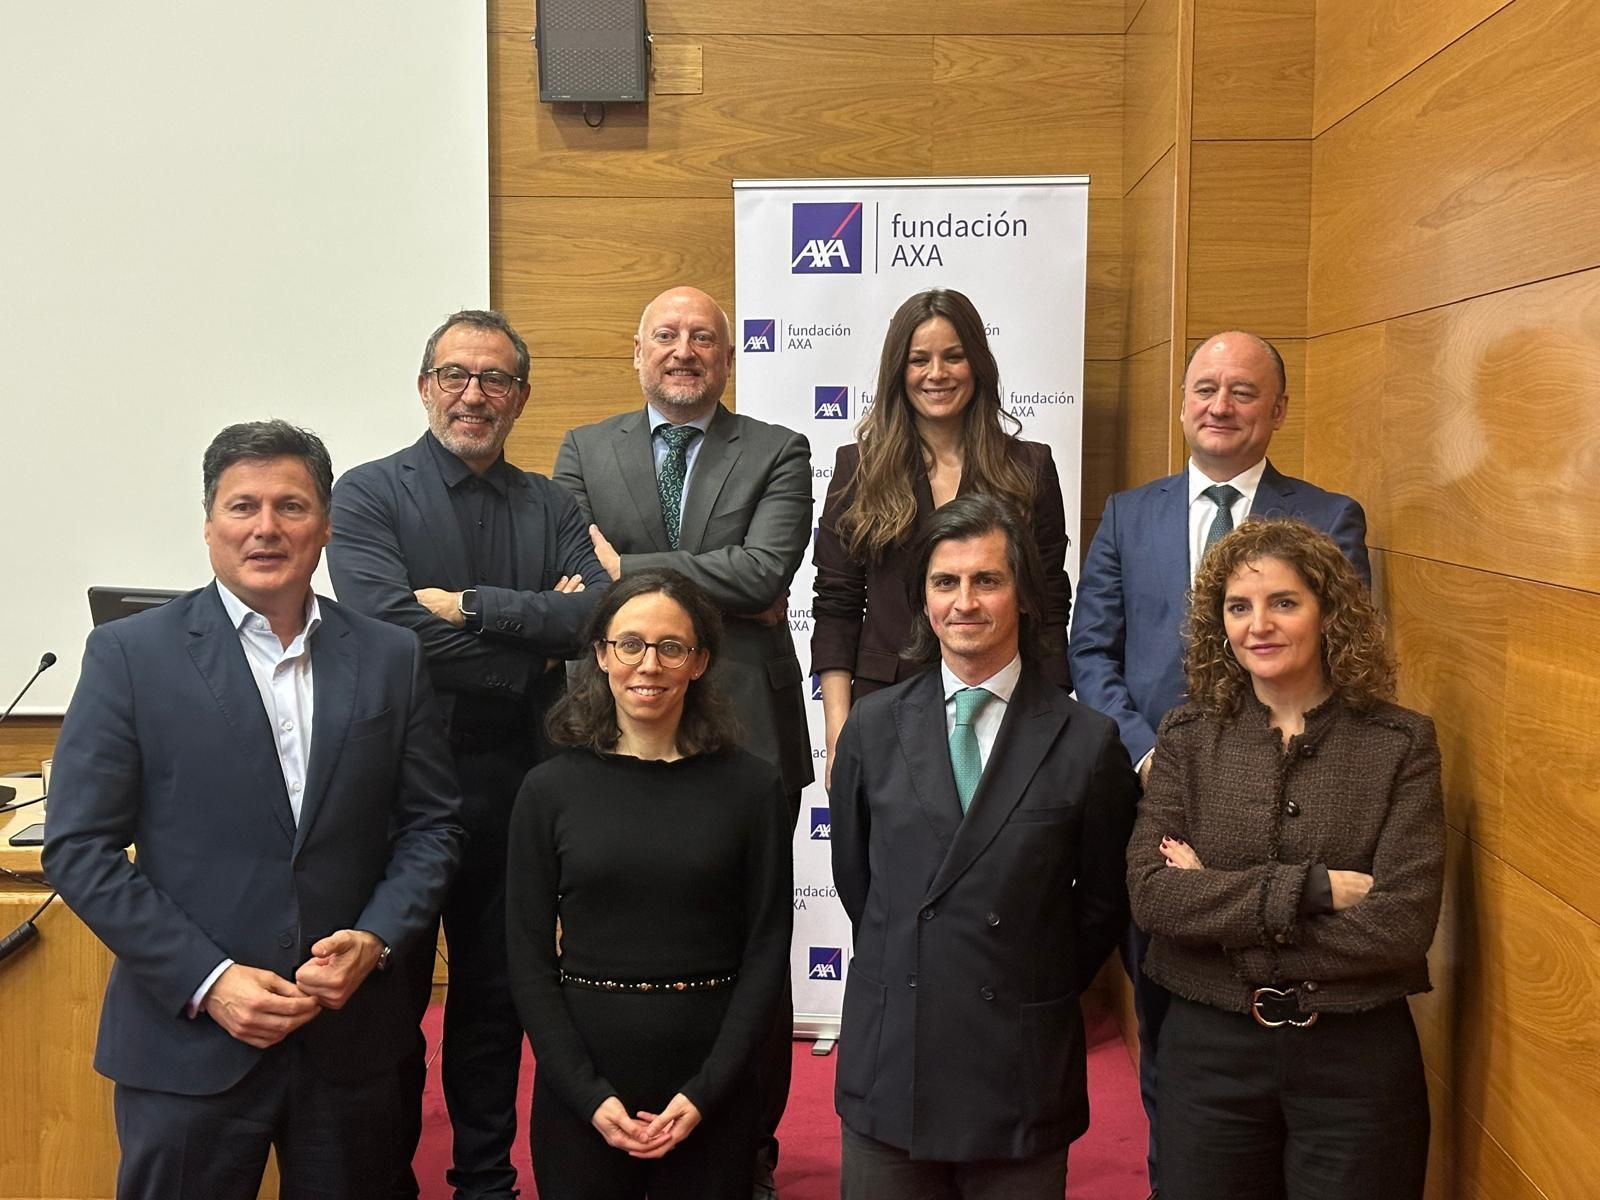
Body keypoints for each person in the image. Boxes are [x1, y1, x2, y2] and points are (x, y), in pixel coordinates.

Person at [43, 421, 463, 1200]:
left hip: (350, 1044)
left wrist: (376, 937)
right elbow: (78, 849)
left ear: (326, 525)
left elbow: (432, 825)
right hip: (188, 1043)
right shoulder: (131, 656)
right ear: (209, 525)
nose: (266, 527)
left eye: (291, 506)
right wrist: (210, 979)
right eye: (243, 507)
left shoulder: (389, 656)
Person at [1068, 329, 1371, 1197]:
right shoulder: (1131, 514)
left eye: (1244, 391)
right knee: (1166, 1022)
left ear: (1278, 409)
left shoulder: (1329, 517)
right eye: (1206, 388)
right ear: (1183, 401)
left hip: (1280, 812)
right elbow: (1092, 654)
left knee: (1260, 1023)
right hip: (1153, 800)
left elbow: (1341, 665)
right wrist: (1149, 755)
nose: (1221, 406)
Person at [327, 309, 605, 1200]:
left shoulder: (553, 504)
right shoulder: (367, 494)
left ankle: (484, 1181)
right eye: (455, 375)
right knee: (389, 1007)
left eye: (493, 380)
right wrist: (531, 636)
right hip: (393, 792)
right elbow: (383, 633)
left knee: (495, 1002)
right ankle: (384, 1182)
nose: (473, 395)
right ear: (424, 387)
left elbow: (592, 618)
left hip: (516, 783)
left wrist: (467, 606)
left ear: (520, 398)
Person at [552, 284, 812, 1194]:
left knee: (752, 946)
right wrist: (714, 586)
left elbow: (767, 567)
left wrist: (635, 569)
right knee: (624, 930)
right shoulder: (583, 448)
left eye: (703, 336)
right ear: (636, 350)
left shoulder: (780, 450)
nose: (683, 349)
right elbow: (580, 577)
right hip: (616, 722)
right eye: (666, 334)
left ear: (727, 356)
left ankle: (751, 1145)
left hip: (749, 735)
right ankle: (615, 1111)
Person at [830, 493, 1138, 1200]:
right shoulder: (872, 732)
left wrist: (1023, 969)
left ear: (1025, 597)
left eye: (987, 580)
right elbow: (862, 885)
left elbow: (1098, 907)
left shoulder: (1086, 742)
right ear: (923, 602)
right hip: (893, 1062)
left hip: (1018, 1069)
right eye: (945, 582)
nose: (964, 601)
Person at [1127, 517, 1442, 1200]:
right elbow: (1153, 896)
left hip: (1356, 1063)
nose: (1258, 625)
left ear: (1329, 611)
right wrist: (1313, 890)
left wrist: (1217, 902)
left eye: (1284, 602)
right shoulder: (1186, 737)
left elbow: (1400, 926)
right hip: (1210, 1056)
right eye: (1238, 607)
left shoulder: (1400, 744)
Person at [506, 568, 793, 1200]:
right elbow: (526, 958)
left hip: (710, 1083)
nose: (649, 664)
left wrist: (708, 1089)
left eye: (672, 647)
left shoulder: (752, 787)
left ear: (700, 662)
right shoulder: (549, 791)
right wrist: (584, 1093)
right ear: (603, 655)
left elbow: (768, 950)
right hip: (583, 1083)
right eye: (629, 644)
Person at [812, 287, 1071, 789]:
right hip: (883, 703)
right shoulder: (856, 469)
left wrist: (1051, 715)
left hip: (1002, 702)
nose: (937, 374)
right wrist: (838, 733)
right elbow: (837, 606)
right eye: (919, 359)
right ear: (897, 371)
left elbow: (1049, 605)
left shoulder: (1029, 467)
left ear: (977, 363)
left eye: (954, 356)